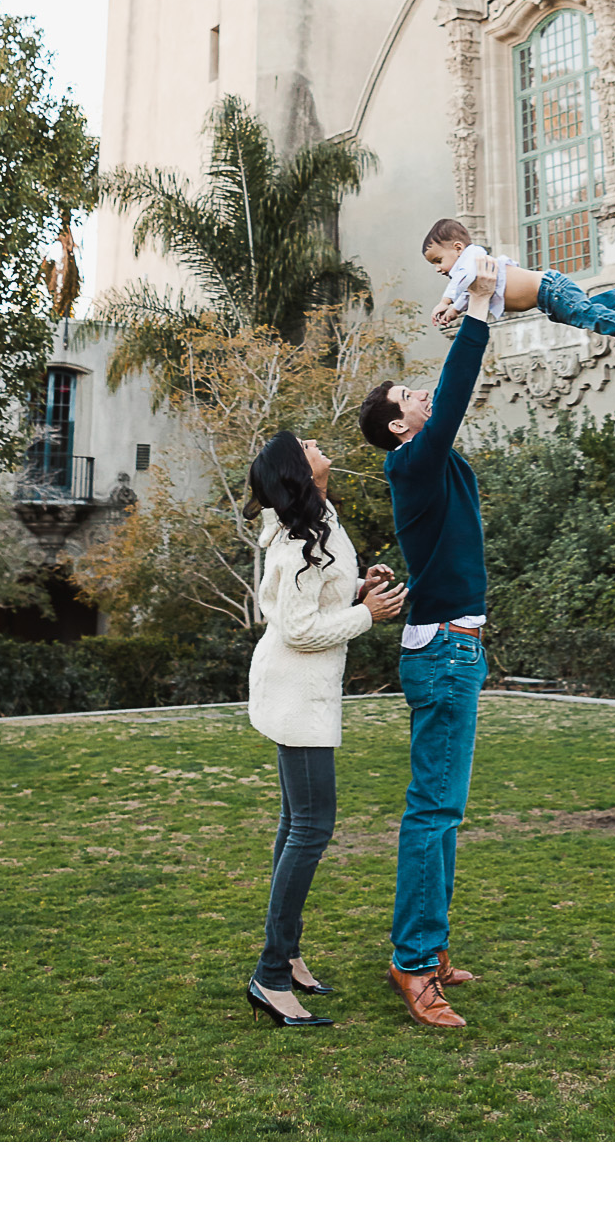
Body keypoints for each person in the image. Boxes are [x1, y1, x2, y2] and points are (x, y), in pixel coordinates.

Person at [357, 255, 501, 1028]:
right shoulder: (412, 463)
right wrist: (477, 307)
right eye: (409, 397)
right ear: (399, 425)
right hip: (444, 655)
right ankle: (413, 964)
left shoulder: (427, 463)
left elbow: (449, 410)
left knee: (444, 811)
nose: (420, 396)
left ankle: (431, 948)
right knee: (433, 813)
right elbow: (453, 399)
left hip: (454, 648)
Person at [244, 430, 407, 1029]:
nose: (316, 441)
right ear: (298, 469)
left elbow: (318, 599)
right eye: (305, 443)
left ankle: (285, 954)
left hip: (306, 690)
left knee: (297, 826)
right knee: (311, 829)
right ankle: (270, 974)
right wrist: (369, 614)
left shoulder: (321, 518)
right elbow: (297, 630)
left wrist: (359, 588)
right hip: (296, 693)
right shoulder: (294, 544)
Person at [423, 215, 615, 362]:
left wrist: (445, 302)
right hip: (548, 295)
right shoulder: (468, 271)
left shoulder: (471, 258)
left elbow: (461, 281)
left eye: (438, 260)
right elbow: (469, 293)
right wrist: (454, 310)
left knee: (580, 313)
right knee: (577, 312)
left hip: (550, 289)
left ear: (458, 248)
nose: (437, 269)